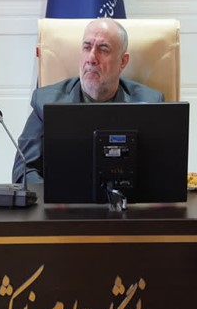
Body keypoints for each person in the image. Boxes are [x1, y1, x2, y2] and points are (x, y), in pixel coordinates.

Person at [12, 18, 164, 184]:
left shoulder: (150, 104)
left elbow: (163, 171)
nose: (91, 58)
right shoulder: (46, 103)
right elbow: (23, 171)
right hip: (64, 199)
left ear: (123, 61)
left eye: (103, 49)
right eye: (87, 47)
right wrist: (55, 194)